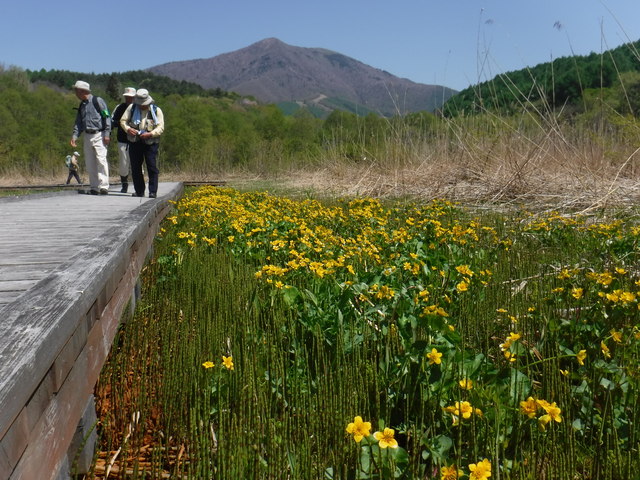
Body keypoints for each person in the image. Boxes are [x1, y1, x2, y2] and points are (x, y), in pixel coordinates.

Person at [120, 89, 165, 198]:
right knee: (135, 167)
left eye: (143, 104)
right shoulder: (131, 108)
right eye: (140, 104)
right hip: (134, 142)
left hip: (151, 143)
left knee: (152, 166)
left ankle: (152, 191)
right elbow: (123, 121)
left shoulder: (156, 110)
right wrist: (128, 129)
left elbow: (161, 127)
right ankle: (139, 191)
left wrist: (151, 134)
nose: (141, 106)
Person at [70, 80, 111, 195]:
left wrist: (107, 134)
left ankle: (104, 186)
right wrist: (75, 136)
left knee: (101, 160)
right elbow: (79, 122)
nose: (75, 93)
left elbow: (106, 117)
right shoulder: (81, 104)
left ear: (82, 91)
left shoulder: (98, 101)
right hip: (87, 135)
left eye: (76, 91)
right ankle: (94, 187)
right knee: (90, 162)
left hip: (99, 134)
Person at [111, 87, 136, 193]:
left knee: (137, 164)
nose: (128, 99)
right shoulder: (119, 107)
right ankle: (124, 185)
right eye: (127, 97)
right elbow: (112, 121)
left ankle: (138, 187)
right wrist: (122, 124)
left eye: (130, 97)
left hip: (136, 140)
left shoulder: (139, 107)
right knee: (123, 163)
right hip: (122, 139)